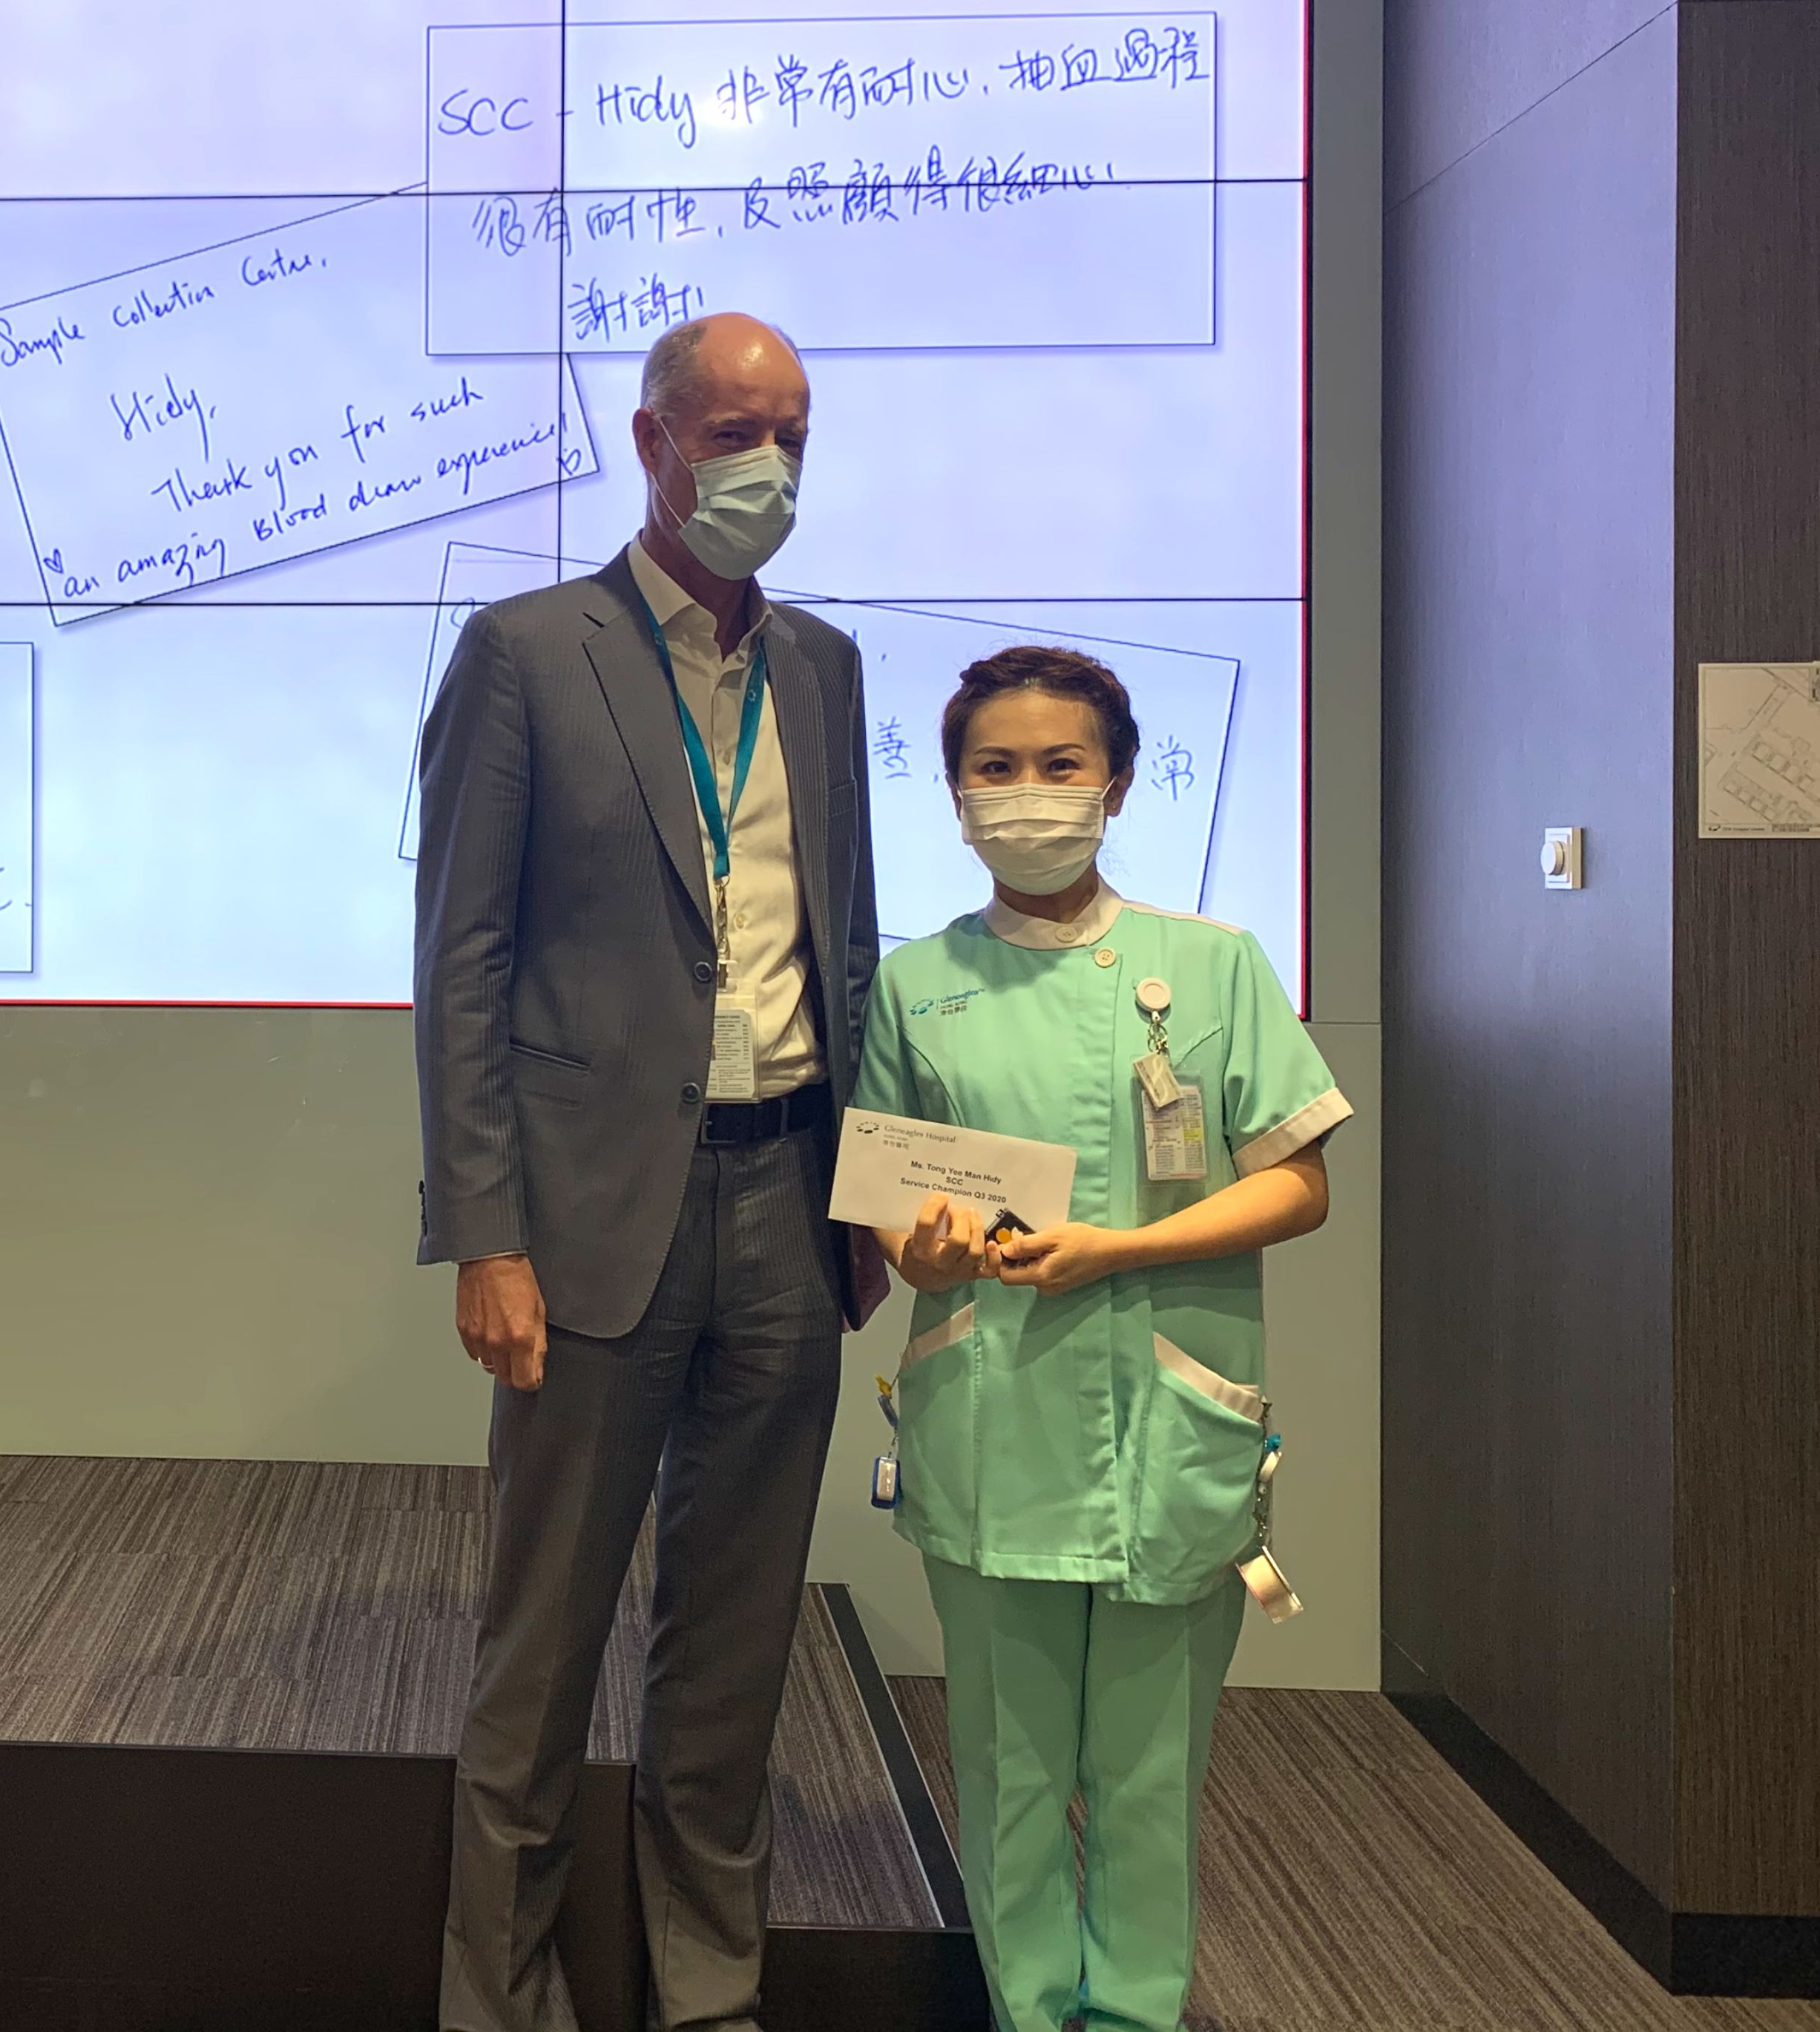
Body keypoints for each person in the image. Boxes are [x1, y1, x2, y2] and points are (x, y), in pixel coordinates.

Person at [413, 311, 886, 2032]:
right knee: (539, 1655)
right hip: (592, 1218)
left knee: (735, 1651)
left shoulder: (822, 667)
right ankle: (497, 2003)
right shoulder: (526, 652)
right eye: (732, 431)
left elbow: (846, 942)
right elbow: (460, 960)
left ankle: (705, 1998)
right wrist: (483, 1230)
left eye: (790, 434)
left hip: (788, 1203)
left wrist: (866, 1190)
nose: (765, 464)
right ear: (650, 441)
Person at [852, 646, 1349, 2032]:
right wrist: (924, 1247)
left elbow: (1299, 1184)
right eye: (995, 768)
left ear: (1117, 784)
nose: (1029, 793)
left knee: (1146, 1775)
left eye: (1060, 764)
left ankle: (1135, 2014)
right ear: (956, 797)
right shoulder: (918, 984)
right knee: (1008, 1768)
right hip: (994, 1415)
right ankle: (1027, 2010)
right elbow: (894, 1211)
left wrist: (1116, 1250)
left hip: (1168, 1419)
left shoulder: (1214, 965)